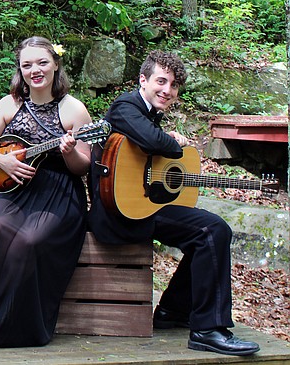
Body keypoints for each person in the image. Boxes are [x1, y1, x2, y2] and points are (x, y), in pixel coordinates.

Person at [87, 51, 260, 356]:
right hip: (119, 216)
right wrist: (173, 142)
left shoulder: (148, 113)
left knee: (210, 231)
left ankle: (172, 311)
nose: (168, 90)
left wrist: (163, 138)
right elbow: (155, 143)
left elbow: (147, 150)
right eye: (161, 81)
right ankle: (208, 330)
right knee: (211, 231)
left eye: (174, 85)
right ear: (143, 80)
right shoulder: (125, 107)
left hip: (140, 206)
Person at [0, 36, 91, 349]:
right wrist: (3, 161)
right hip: (14, 191)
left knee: (28, 241)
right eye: (27, 64)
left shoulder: (74, 109)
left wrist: (68, 152)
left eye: (42, 62)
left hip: (59, 193)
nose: (35, 70)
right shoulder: (11, 104)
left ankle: (14, 326)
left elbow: (83, 166)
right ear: (20, 69)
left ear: (55, 64)